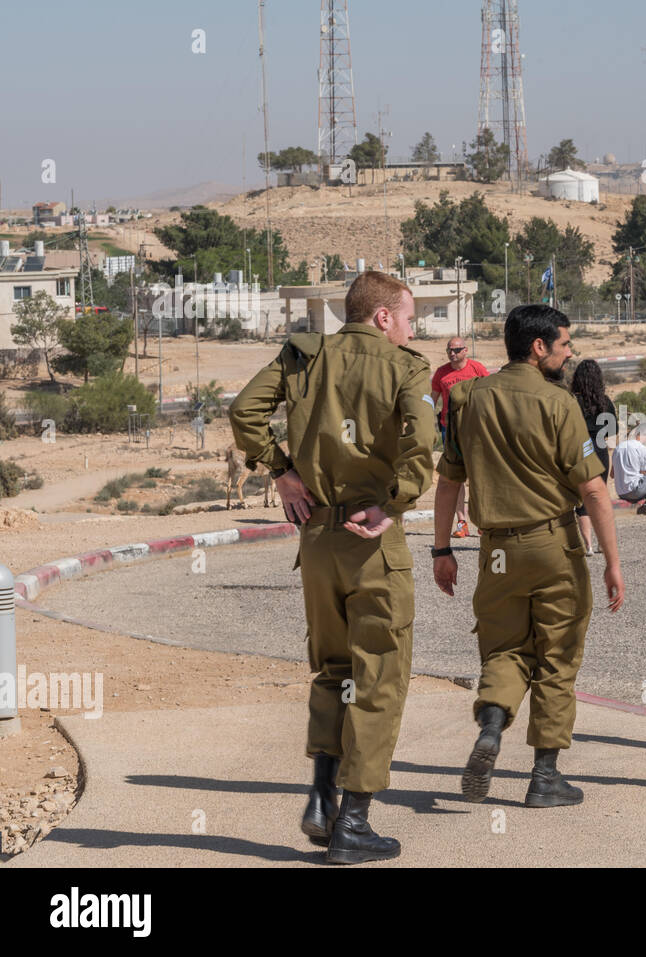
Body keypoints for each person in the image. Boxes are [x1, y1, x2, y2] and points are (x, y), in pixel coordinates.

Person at [229, 270, 436, 863]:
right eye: (409, 318)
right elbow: (423, 446)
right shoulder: (406, 368)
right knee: (379, 676)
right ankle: (355, 822)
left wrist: (281, 470)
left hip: (316, 536)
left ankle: (321, 800)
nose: (410, 329)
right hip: (369, 537)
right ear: (382, 317)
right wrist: (393, 502)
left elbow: (246, 413)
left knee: (333, 669)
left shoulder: (302, 357)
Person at [433, 304, 625, 808]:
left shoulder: (466, 397)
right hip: (552, 545)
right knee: (556, 657)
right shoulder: (557, 402)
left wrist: (441, 549)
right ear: (538, 348)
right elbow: (594, 490)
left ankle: (492, 724)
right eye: (564, 344)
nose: (568, 353)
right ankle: (544, 777)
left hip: (494, 551)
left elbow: (448, 480)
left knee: (503, 650)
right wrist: (611, 561)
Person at [431, 337, 489, 537]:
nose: (451, 353)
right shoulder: (441, 372)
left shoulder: (477, 369)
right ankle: (461, 522)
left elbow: (488, 395)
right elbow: (433, 399)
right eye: (449, 350)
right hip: (450, 430)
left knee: (478, 475)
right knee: (454, 477)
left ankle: (482, 520)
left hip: (475, 429)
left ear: (465, 350)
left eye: (455, 350)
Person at [570, 358, 616, 553]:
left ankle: (587, 545)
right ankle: (602, 543)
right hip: (601, 451)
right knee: (600, 499)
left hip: (581, 451)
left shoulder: (572, 402)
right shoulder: (605, 402)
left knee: (582, 501)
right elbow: (611, 432)